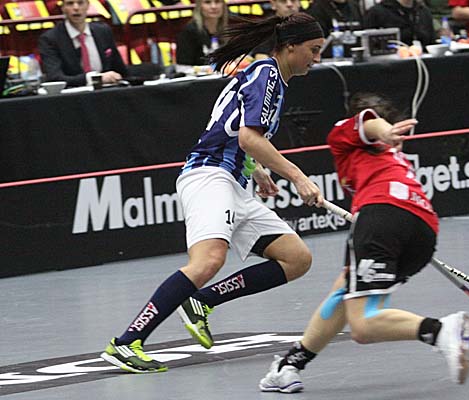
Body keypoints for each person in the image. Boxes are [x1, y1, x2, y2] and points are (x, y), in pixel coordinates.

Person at [100, 12, 326, 373]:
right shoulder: (267, 73)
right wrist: (298, 177)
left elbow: (233, 129)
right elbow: (248, 136)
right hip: (210, 176)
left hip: (235, 181)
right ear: (289, 46)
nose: (317, 58)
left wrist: (257, 169)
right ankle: (126, 343)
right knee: (208, 261)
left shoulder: (273, 79)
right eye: (313, 50)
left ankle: (201, 302)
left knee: (296, 259)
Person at [259, 92, 469, 393]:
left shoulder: (346, 132)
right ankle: (289, 366)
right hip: (423, 229)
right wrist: (386, 134)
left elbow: (368, 122)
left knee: (363, 325)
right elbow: (370, 125)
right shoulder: (387, 155)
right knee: (344, 294)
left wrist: (384, 131)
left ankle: (439, 331)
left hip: (382, 216)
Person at [38, 0, 127, 87]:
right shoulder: (50, 39)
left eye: (80, 3)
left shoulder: (103, 31)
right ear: (63, 8)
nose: (76, 8)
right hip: (72, 93)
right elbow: (55, 78)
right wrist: (94, 79)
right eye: (70, 3)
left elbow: (120, 70)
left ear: (87, 5)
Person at [176, 0, 229, 66]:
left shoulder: (228, 29)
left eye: (217, 2)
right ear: (199, 6)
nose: (214, 6)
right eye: (207, 2)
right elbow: (182, 66)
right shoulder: (189, 32)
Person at [364, 0, 436, 46]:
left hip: (424, 60)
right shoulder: (377, 12)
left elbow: (432, 42)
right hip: (390, 63)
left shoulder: (423, 11)